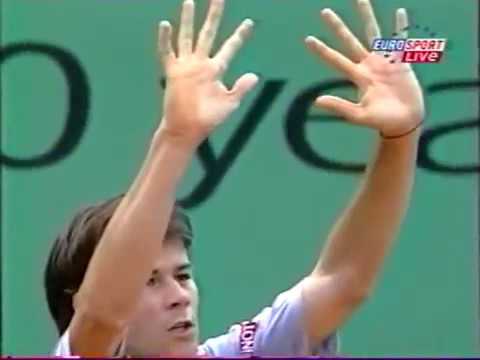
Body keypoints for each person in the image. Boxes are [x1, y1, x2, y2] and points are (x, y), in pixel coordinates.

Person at [46, 0, 425, 356]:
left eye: (182, 275)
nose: (178, 296)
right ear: (78, 300)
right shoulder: (87, 339)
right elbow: (102, 317)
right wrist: (175, 140)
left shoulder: (243, 351)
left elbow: (344, 281)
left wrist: (401, 136)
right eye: (150, 281)